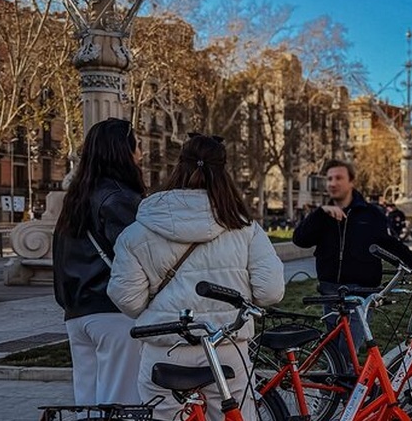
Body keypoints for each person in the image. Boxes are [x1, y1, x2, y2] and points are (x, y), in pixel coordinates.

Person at [107, 133, 285, 421]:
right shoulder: (244, 228)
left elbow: (128, 300)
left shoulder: (138, 231)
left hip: (164, 349)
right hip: (226, 348)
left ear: (179, 166)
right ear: (224, 170)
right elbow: (270, 291)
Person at [52, 118, 145, 407]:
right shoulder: (119, 197)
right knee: (120, 403)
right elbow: (136, 256)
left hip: (77, 314)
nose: (141, 153)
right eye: (137, 145)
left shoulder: (76, 199)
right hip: (114, 313)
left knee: (88, 405)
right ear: (122, 151)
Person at [292, 159, 412, 357]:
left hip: (360, 293)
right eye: (329, 179)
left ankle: (347, 386)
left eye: (339, 178)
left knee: (348, 351)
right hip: (330, 291)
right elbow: (300, 240)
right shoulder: (323, 215)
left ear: (351, 181)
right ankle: (333, 387)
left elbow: (390, 244)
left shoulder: (371, 214)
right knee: (333, 352)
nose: (333, 183)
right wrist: (320, 214)